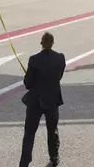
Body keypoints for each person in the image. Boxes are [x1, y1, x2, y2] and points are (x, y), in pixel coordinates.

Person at [20, 32, 67, 167]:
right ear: (52, 43)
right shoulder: (60, 58)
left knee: (29, 133)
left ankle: (24, 162)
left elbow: (28, 83)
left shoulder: (33, 59)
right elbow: (59, 77)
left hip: (35, 101)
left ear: (41, 43)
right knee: (52, 130)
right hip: (52, 100)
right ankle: (54, 157)